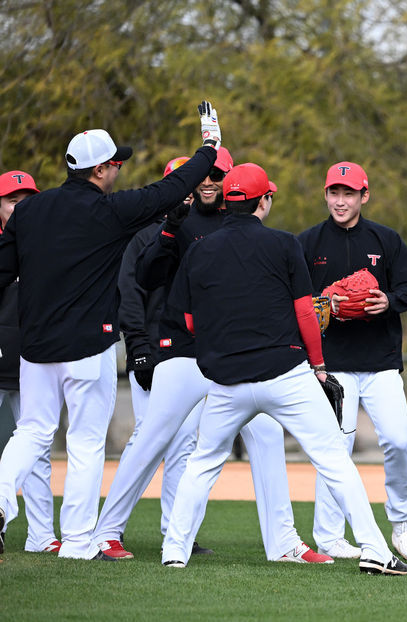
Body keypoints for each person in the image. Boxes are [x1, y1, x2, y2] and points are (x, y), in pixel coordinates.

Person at [159, 162, 407, 575]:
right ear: (264, 201)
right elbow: (305, 314)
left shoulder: (200, 249)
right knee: (333, 459)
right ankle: (376, 553)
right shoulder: (284, 244)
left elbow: (186, 321)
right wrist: (320, 365)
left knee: (202, 463)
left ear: (226, 200)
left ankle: (174, 552)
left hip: (226, 379)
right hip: (284, 373)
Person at [0, 106, 221, 559]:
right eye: (115, 164)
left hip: (36, 345)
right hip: (87, 345)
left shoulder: (29, 211)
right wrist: (209, 148)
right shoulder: (111, 211)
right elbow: (173, 188)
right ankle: (78, 542)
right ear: (99, 169)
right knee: (84, 442)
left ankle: (1, 499)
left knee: (32, 432)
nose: (118, 170)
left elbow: (2, 271)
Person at [95, 151, 313, 564]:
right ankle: (106, 534)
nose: (209, 181)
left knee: (265, 437)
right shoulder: (175, 221)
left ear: (231, 181)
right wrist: (168, 232)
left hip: (239, 355)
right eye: (204, 175)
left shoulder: (245, 225)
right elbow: (144, 278)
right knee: (153, 436)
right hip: (184, 352)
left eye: (218, 174)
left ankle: (283, 543)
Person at [297, 161, 407, 561]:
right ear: (326, 195)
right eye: (334, 192)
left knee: (400, 442)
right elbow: (293, 297)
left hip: (381, 361)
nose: (340, 200)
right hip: (331, 362)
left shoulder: (385, 239)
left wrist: (389, 301)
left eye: (348, 193)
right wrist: (320, 305)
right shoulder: (308, 242)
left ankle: (402, 525)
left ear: (363, 196)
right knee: (336, 448)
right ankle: (330, 536)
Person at [0, 170, 59, 554]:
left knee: (38, 450)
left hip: (31, 360)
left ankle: (41, 536)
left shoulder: (43, 244)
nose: (20, 206)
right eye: (12, 200)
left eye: (27, 199)